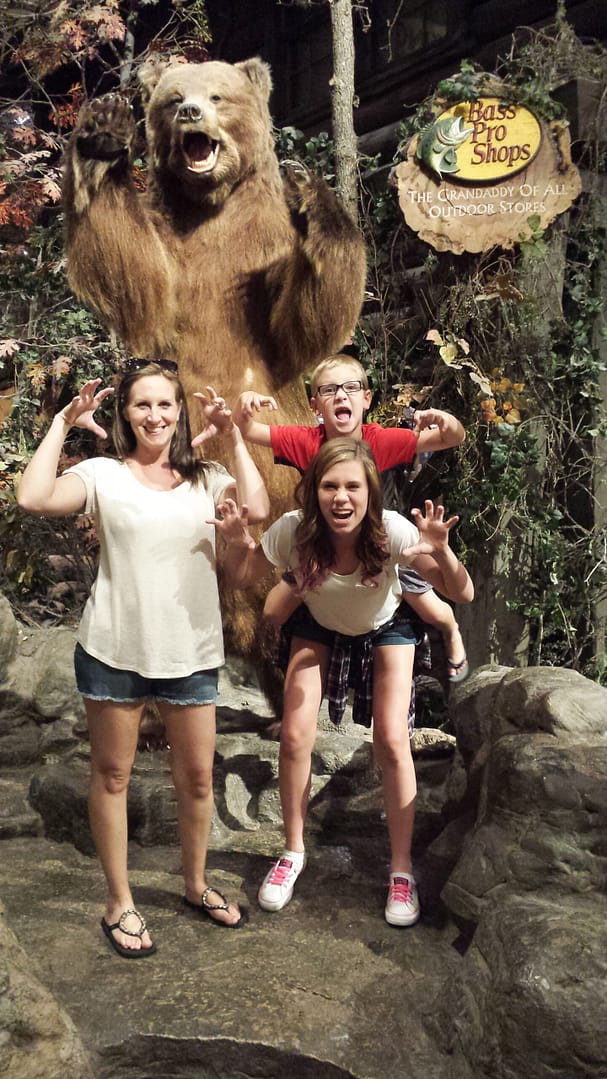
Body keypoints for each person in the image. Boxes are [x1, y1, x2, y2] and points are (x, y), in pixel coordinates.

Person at [17, 360, 269, 956]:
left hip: (190, 651)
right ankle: (119, 903)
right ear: (125, 415)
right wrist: (62, 422)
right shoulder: (104, 474)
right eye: (141, 405)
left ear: (180, 412)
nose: (154, 416)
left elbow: (255, 509)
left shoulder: (208, 478)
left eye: (165, 404)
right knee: (112, 775)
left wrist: (233, 437)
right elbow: (32, 496)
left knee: (199, 778)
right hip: (114, 649)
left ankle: (195, 883)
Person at [214, 437, 474, 927]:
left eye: (353, 486)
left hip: (386, 625)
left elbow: (464, 590)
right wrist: (235, 543)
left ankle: (401, 871)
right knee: (293, 735)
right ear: (313, 491)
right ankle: (292, 851)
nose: (341, 497)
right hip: (319, 625)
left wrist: (442, 554)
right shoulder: (294, 532)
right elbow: (245, 579)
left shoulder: (391, 531)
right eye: (330, 486)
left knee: (392, 741)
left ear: (370, 491)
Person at [232, 353, 469, 682]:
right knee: (276, 607)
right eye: (329, 390)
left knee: (427, 604)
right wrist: (244, 404)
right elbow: (246, 428)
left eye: (350, 387)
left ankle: (451, 628)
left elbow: (453, 437)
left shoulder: (378, 440)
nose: (340, 395)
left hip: (377, 543)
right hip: (323, 545)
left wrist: (447, 422)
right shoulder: (305, 440)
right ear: (315, 405)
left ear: (366, 399)